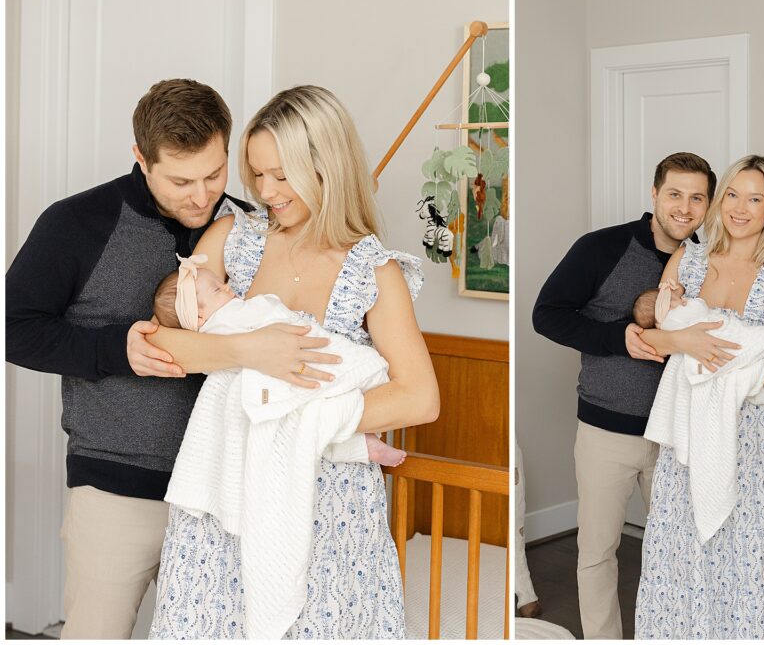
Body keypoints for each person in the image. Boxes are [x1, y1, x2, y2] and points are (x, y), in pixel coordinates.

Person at [3, 79, 332, 638]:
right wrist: (113, 349)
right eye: (181, 181)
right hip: (117, 491)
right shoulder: (76, 224)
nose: (202, 197)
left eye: (215, 174)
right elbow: (13, 328)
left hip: (227, 493)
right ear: (141, 158)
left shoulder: (247, 227)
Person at [144, 85, 439, 639]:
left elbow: (419, 398)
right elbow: (166, 337)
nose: (265, 190)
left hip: (330, 503)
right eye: (256, 174)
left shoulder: (375, 272)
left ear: (328, 168)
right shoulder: (234, 239)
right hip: (231, 490)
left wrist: (303, 417)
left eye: (282, 175)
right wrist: (252, 351)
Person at [533, 152, 741, 640]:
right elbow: (547, 314)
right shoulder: (601, 248)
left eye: (697, 198)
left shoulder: (707, 262)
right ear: (654, 194)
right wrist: (617, 336)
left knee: (685, 553)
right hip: (608, 429)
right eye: (675, 194)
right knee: (598, 551)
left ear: (709, 204)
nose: (684, 208)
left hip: (680, 437)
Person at [633, 154, 764, 639]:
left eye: (755, 199)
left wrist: (739, 377)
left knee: (751, 546)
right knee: (686, 543)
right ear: (720, 204)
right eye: (733, 196)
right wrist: (686, 342)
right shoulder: (689, 260)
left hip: (759, 437)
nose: (741, 208)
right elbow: (652, 335)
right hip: (694, 426)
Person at [151, 257, 406, 465]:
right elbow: (268, 313)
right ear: (197, 318)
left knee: (307, 417)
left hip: (270, 387)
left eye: (223, 283)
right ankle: (361, 441)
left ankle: (360, 446)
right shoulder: (224, 320)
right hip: (274, 380)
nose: (229, 287)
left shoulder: (207, 336)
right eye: (218, 289)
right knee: (318, 401)